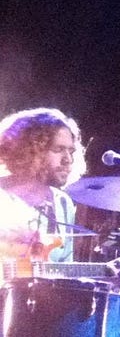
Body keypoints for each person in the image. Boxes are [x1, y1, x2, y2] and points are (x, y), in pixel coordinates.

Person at [0, 107, 83, 265]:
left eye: (71, 151)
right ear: (30, 150)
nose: (68, 160)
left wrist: (105, 274)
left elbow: (64, 269)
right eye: (58, 149)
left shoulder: (62, 203)